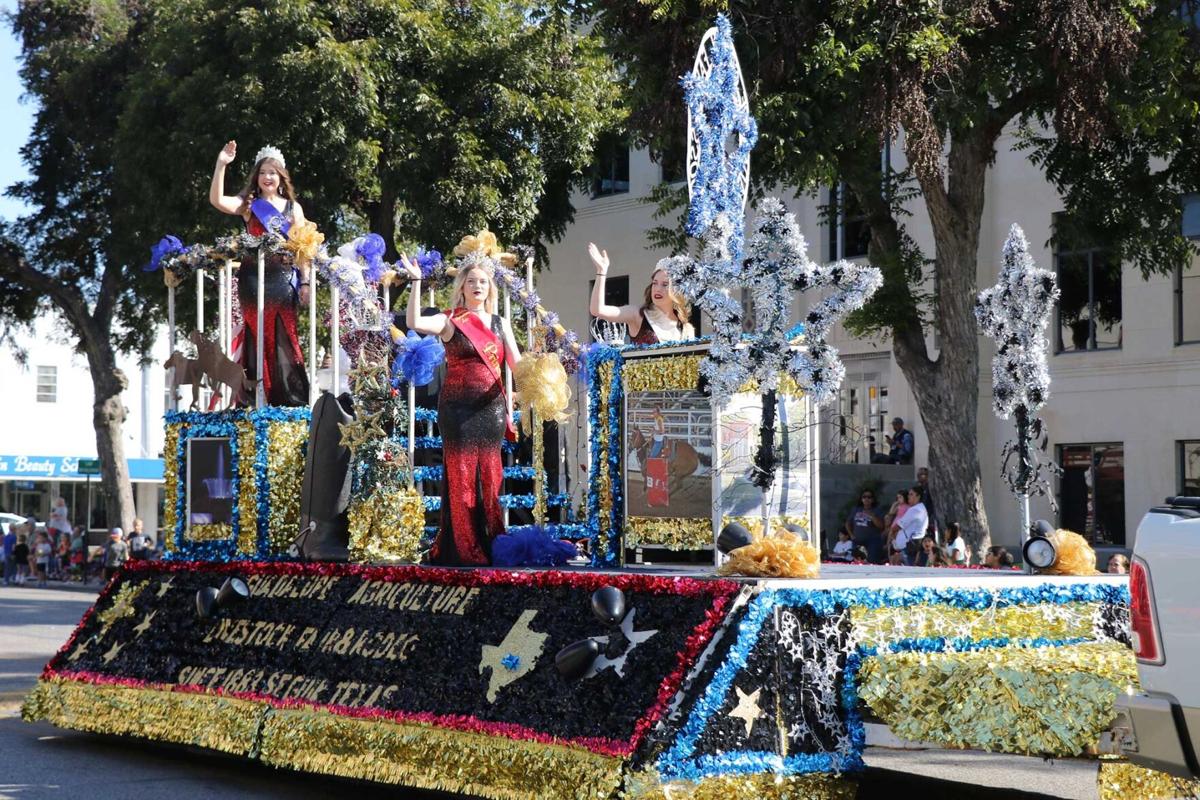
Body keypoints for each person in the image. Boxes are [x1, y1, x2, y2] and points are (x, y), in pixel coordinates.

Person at [401, 247, 523, 566]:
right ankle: (465, 545)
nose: (478, 286)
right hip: (457, 410)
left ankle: (492, 539)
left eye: (483, 281)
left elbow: (518, 366)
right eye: (472, 281)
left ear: (490, 288)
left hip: (492, 407)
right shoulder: (451, 320)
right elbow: (414, 320)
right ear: (463, 287)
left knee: (491, 475)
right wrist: (415, 282)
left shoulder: (500, 324)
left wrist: (545, 372)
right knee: (463, 473)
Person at [209, 140, 310, 406]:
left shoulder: (292, 208)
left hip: (283, 279)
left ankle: (291, 400)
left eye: (273, 173)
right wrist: (221, 164)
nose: (268, 177)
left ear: (281, 177)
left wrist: (306, 282)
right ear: (257, 176)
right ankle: (256, 399)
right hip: (253, 279)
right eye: (263, 172)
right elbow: (217, 200)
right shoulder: (249, 204)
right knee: (258, 334)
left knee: (285, 333)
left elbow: (303, 248)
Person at [588, 245, 695, 345]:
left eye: (665, 284)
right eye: (655, 283)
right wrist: (601, 271)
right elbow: (598, 310)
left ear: (677, 291)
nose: (657, 289)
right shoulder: (637, 314)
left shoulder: (686, 329)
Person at [888, 485, 929, 565]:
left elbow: (897, 526)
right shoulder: (920, 508)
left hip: (911, 546)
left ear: (918, 496)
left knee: (901, 564)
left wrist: (892, 534)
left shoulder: (915, 510)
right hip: (910, 545)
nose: (908, 496)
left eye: (911, 494)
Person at [845, 489, 886, 563]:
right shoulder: (856, 509)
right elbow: (848, 523)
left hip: (872, 542)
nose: (866, 499)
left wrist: (872, 516)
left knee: (872, 562)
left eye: (869, 497)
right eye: (864, 497)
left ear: (873, 499)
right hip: (857, 541)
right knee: (856, 562)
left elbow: (881, 526)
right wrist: (851, 535)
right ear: (861, 499)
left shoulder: (877, 510)